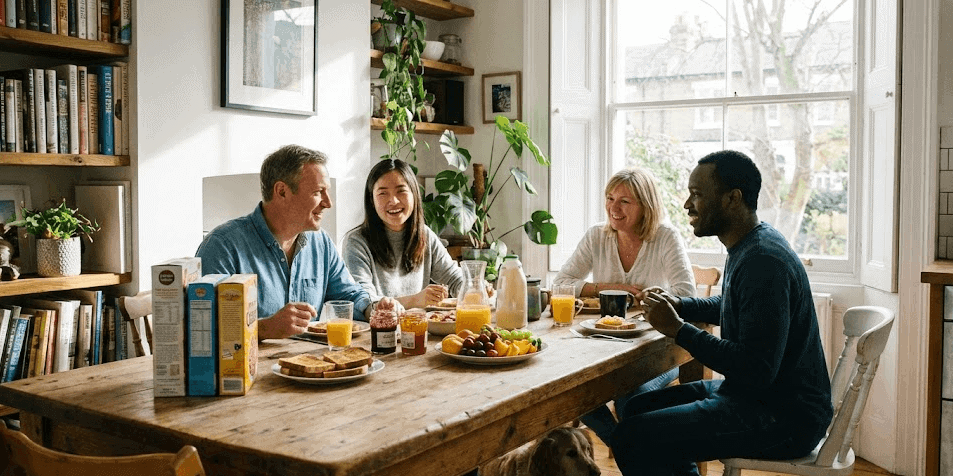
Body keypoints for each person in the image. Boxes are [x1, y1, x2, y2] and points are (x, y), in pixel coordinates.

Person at [610, 150, 833, 476]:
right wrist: (679, 305)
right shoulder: (749, 244)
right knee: (635, 407)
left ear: (732, 198)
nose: (687, 204)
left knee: (632, 437)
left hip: (783, 417)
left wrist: (679, 329)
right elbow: (734, 307)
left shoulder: (763, 261)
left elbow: (756, 369)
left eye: (697, 195)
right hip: (757, 399)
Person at [552, 167, 696, 446]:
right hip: (602, 346)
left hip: (658, 350)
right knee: (569, 393)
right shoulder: (597, 236)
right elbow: (562, 283)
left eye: (624, 201)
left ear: (646, 206)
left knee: (630, 399)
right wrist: (613, 288)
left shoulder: (665, 237)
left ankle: (631, 450)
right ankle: (625, 447)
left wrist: (651, 296)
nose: (613, 208)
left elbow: (687, 294)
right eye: (609, 198)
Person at [196, 144, 397, 340]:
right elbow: (202, 328)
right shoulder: (222, 246)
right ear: (282, 191)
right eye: (318, 192)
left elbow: (348, 295)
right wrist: (264, 328)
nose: (328, 203)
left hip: (309, 366)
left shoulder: (321, 242)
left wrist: (373, 308)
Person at [342, 159, 465, 309]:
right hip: (378, 331)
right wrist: (415, 300)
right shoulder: (356, 241)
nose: (393, 201)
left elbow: (453, 277)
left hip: (418, 328)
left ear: (414, 194)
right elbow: (365, 301)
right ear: (371, 200)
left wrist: (475, 287)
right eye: (383, 193)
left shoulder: (424, 234)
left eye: (401, 191)